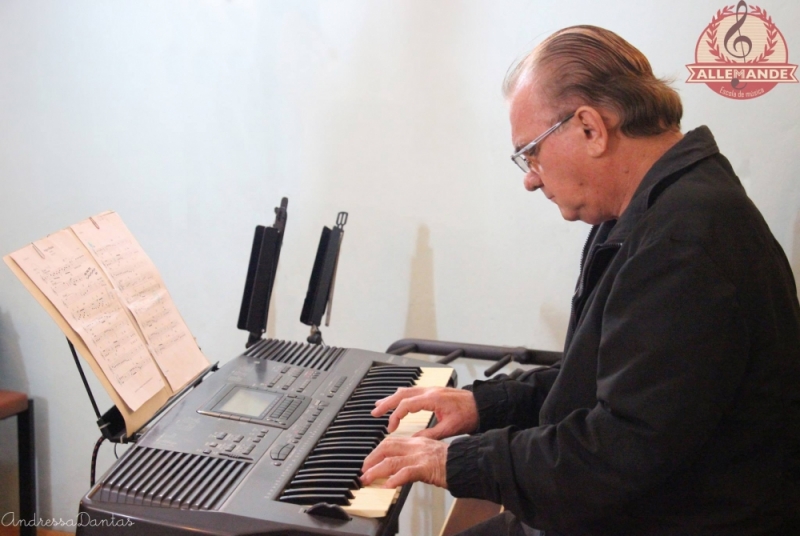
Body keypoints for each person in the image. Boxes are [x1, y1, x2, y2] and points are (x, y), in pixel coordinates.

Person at [360, 25, 800, 535]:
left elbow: (617, 452)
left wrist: (452, 461)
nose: (530, 177)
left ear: (590, 128)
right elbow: (609, 382)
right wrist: (486, 403)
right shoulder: (654, 210)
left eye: (531, 152)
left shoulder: (684, 241)